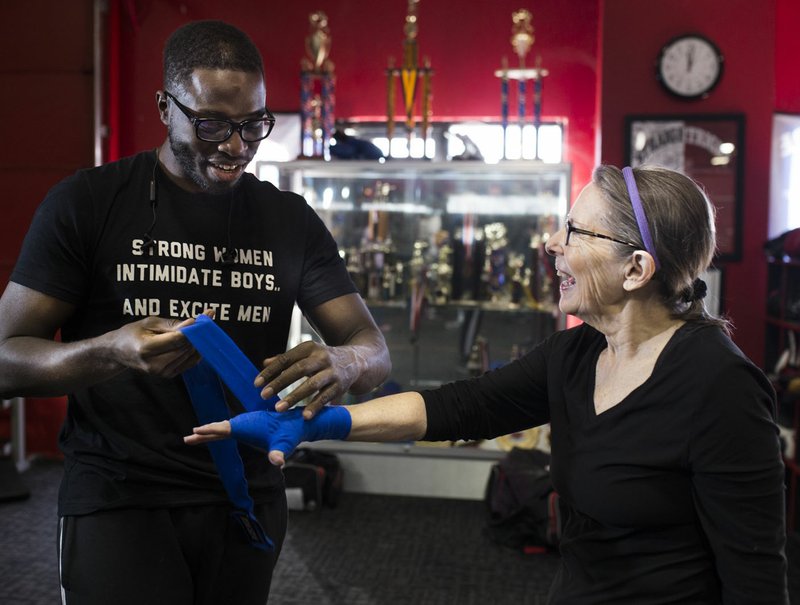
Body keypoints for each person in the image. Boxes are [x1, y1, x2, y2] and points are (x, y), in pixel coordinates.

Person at [187, 164, 790, 604]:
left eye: (577, 233)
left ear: (636, 269)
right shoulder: (578, 354)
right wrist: (317, 423)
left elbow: (755, 574)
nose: (554, 242)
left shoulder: (721, 386)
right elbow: (462, 406)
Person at [0, 20, 390, 605]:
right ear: (165, 106)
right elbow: (5, 360)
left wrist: (345, 361)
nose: (236, 146)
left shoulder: (288, 220)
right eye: (211, 123)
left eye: (254, 124)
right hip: (121, 495)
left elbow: (373, 347)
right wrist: (111, 351)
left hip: (246, 492)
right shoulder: (88, 203)